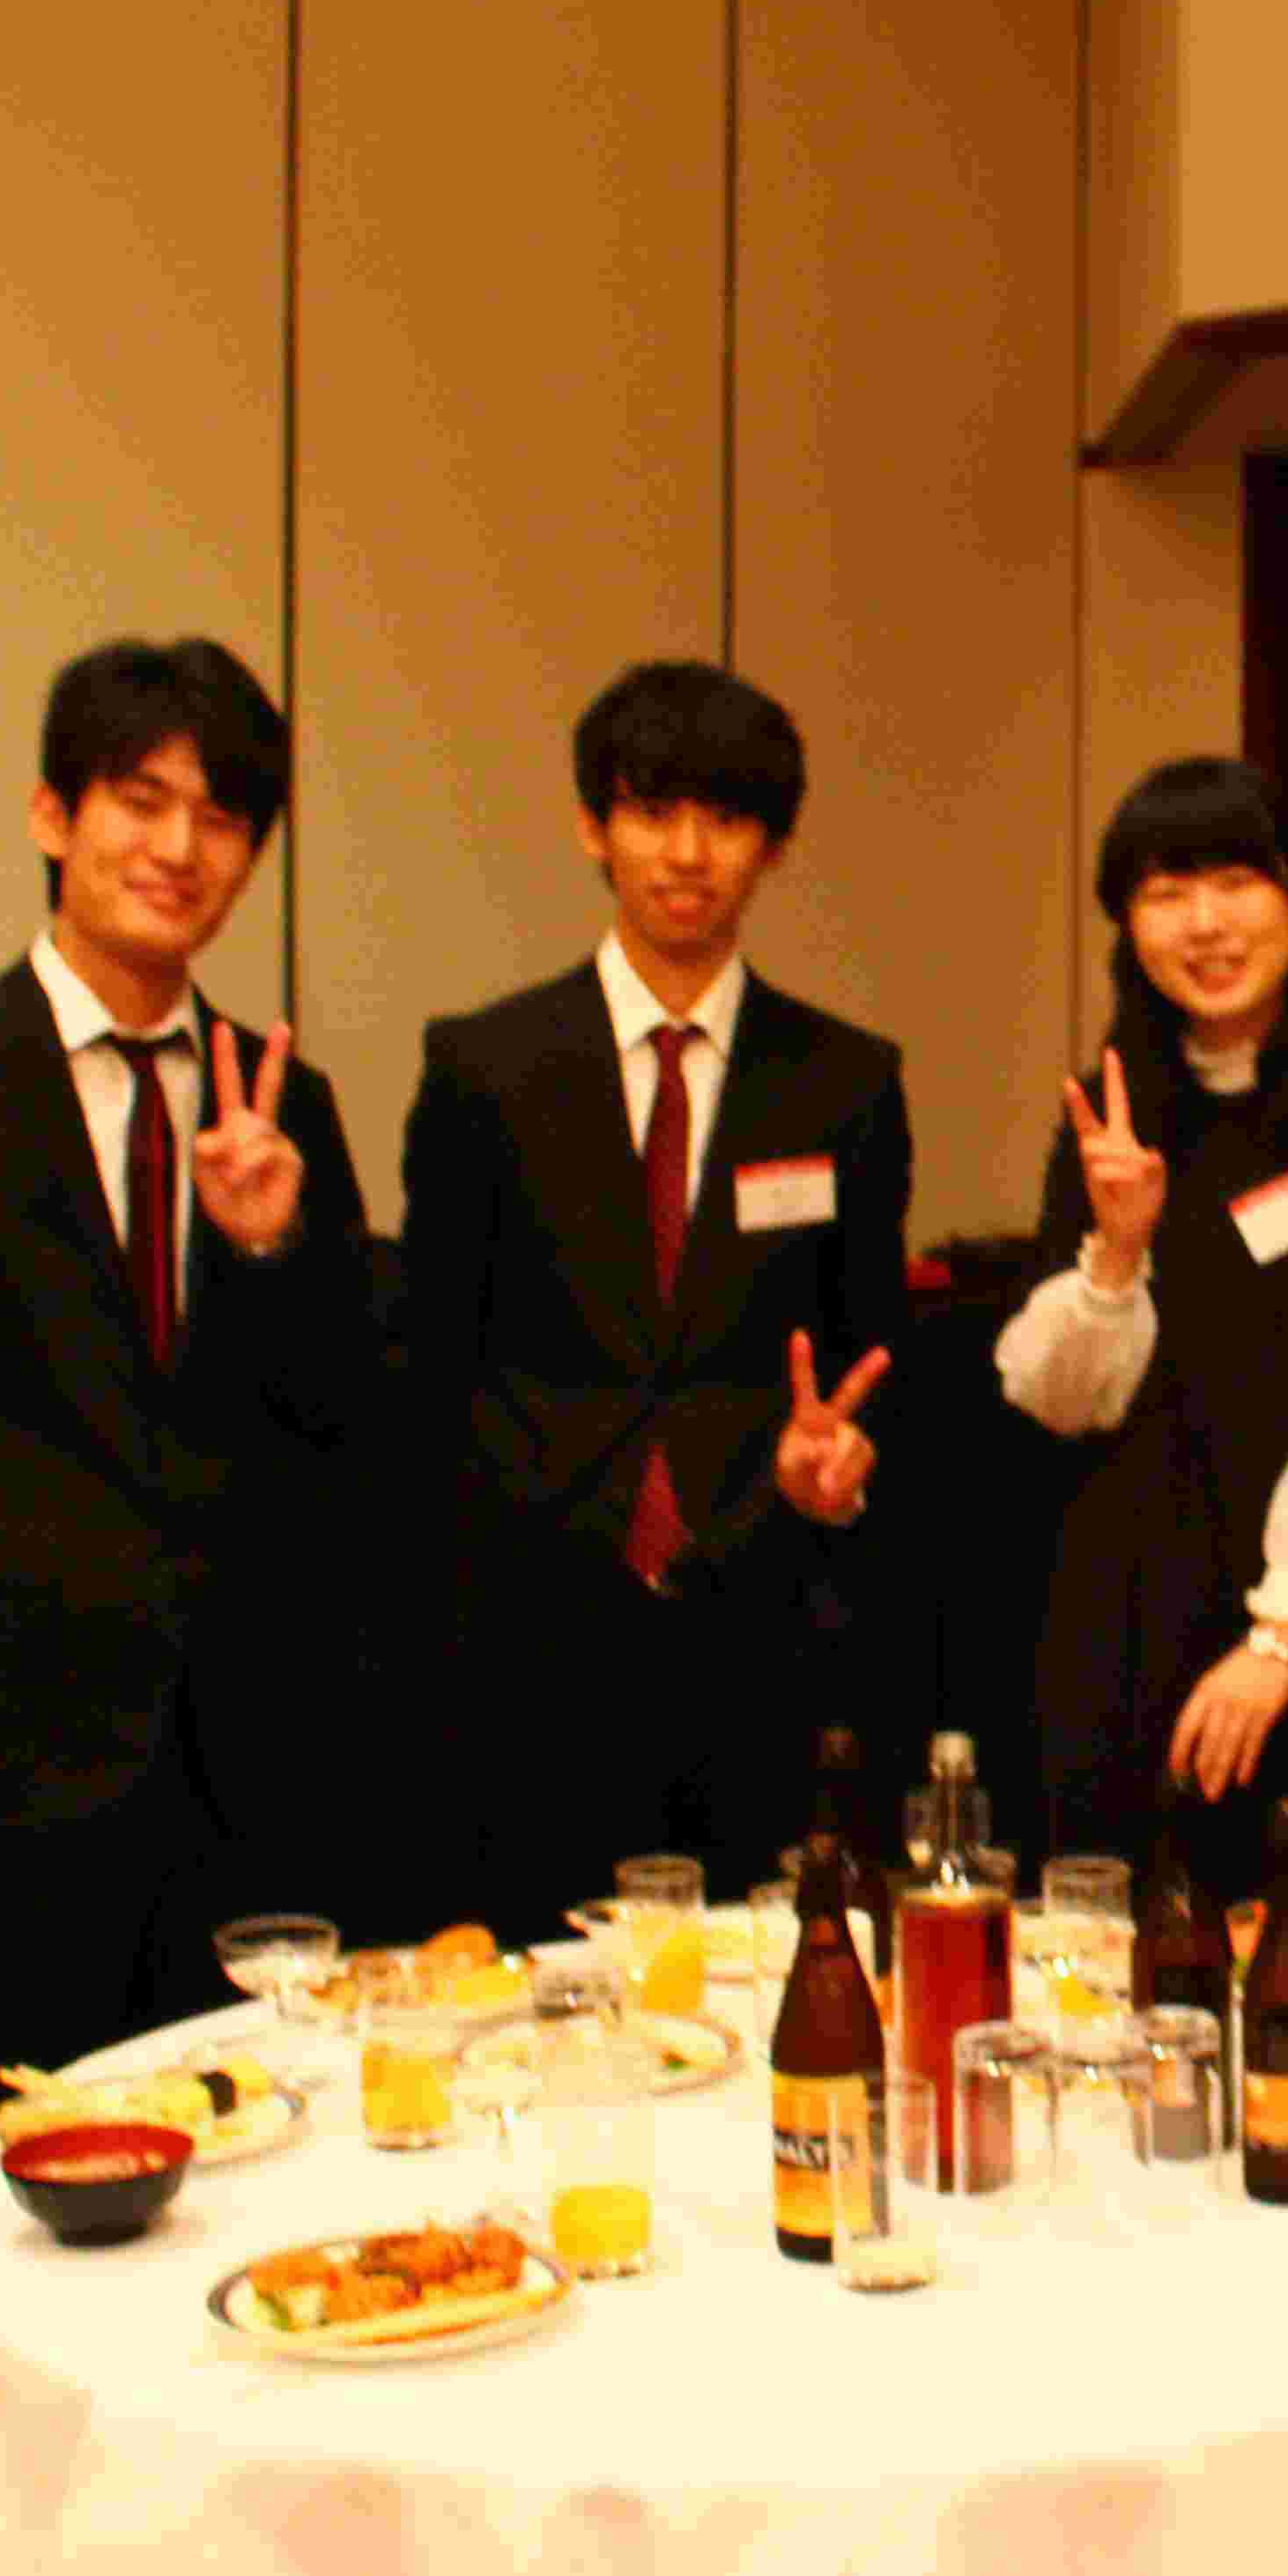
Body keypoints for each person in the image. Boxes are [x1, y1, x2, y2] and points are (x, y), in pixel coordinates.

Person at [0, 637, 379, 2197]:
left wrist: (273, 1247)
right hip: (8, 1750)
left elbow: (338, 1424)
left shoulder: (283, 1100)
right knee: (13, 2172)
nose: (180, 847)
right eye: (141, 800)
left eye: (223, 817)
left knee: (255, 2165)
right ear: (55, 814)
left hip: (246, 1750)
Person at [403, 659, 907, 1914]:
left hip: (763, 1614)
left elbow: (869, 1353)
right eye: (652, 812)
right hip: (529, 1618)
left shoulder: (845, 1082)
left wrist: (839, 1471)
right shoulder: (486, 1067)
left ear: (773, 845)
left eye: (727, 819)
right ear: (594, 826)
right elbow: (434, 1353)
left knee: (759, 1976)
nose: (688, 853)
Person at [998, 758, 1288, 1950]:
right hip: (1125, 1617)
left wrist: (1281, 1628)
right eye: (1165, 893)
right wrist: (1115, 1250)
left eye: (1234, 882)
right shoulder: (1112, 1107)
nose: (1204, 924)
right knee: (1116, 1970)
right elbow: (1058, 1401)